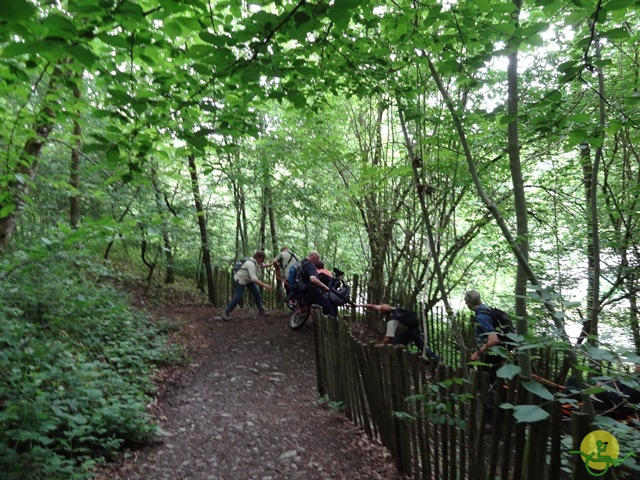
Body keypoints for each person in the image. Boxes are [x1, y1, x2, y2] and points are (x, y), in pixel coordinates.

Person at [464, 289, 503, 432]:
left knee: (487, 387)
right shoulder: (488, 311)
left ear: (470, 302)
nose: (465, 303)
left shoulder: (482, 316)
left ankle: (490, 423)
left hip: (490, 357)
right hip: (495, 355)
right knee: (487, 386)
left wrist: (477, 353)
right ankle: (491, 419)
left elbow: (494, 339)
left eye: (466, 300)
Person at [356, 303, 439, 362]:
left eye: (380, 311)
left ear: (383, 313)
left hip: (408, 333)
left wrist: (380, 344)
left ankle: (408, 359)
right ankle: (437, 361)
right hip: (415, 329)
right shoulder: (393, 309)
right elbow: (373, 306)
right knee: (423, 347)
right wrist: (358, 305)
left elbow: (388, 338)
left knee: (396, 347)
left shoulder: (392, 322)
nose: (379, 311)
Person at [223, 251, 273, 321]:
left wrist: (273, 264)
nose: (263, 261)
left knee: (257, 293)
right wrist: (265, 285)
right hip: (240, 280)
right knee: (237, 297)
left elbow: (264, 265)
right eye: (262, 259)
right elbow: (254, 279)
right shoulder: (250, 264)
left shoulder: (256, 262)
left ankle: (261, 310)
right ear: (258, 257)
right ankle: (226, 312)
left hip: (248, 280)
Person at [300, 251, 337, 318]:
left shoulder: (302, 263)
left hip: (303, 290)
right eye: (316, 260)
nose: (316, 262)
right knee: (329, 305)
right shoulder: (311, 265)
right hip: (312, 291)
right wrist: (324, 286)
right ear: (313, 257)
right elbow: (313, 279)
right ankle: (333, 321)